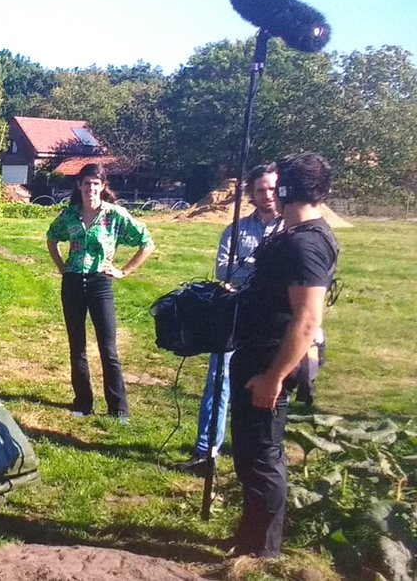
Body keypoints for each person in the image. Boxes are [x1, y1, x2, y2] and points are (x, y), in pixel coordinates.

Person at [229, 152, 338, 558]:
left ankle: (260, 550)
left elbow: (307, 321)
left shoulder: (307, 244)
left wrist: (273, 377)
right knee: (251, 453)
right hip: (258, 354)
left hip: (270, 362)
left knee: (261, 457)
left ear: (289, 189)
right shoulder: (296, 235)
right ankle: (249, 536)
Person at [176, 165, 282, 475]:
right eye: (261, 189)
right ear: (252, 193)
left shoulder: (288, 230)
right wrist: (256, 273)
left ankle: (259, 455)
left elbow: (283, 276)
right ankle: (205, 451)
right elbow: (223, 270)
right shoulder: (236, 230)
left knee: (265, 385)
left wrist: (246, 269)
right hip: (234, 314)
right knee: (218, 380)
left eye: (272, 189)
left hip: (271, 320)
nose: (267, 195)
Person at [46, 163, 154, 423]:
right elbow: (51, 238)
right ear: (79, 186)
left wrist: (123, 271)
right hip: (72, 283)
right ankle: (83, 403)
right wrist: (62, 267)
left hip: (99, 284)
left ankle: (118, 409)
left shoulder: (115, 215)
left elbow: (146, 243)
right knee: (77, 347)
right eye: (86, 183)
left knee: (109, 349)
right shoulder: (69, 215)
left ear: (103, 186)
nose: (90, 188)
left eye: (96, 183)